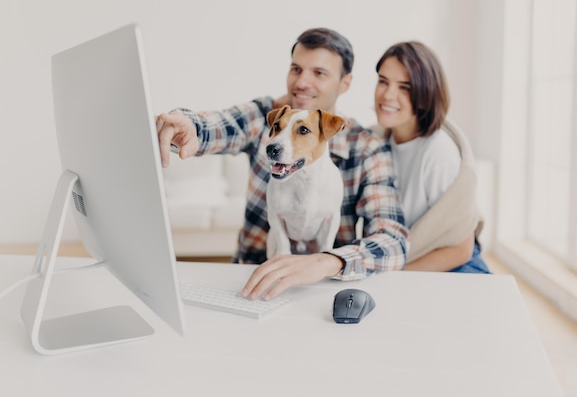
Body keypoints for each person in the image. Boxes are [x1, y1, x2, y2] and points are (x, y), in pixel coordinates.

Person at [156, 28, 409, 300]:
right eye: (296, 69)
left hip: (325, 284)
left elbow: (393, 242)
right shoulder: (263, 115)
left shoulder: (368, 148)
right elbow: (213, 125)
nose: (302, 82)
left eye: (319, 73)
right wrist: (186, 125)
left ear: (345, 83)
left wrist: (328, 260)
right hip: (251, 275)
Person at [373, 41, 490, 273]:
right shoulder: (376, 141)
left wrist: (391, 277)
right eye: (383, 81)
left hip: (454, 267)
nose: (387, 95)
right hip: (404, 262)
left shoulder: (437, 152)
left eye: (404, 87)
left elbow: (461, 249)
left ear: (425, 94)